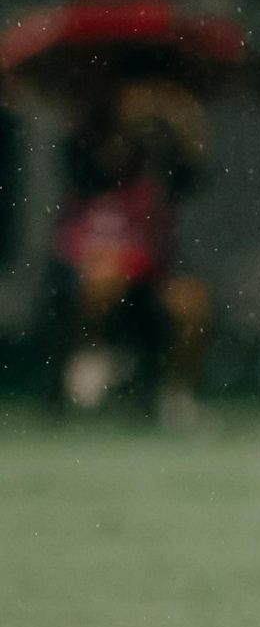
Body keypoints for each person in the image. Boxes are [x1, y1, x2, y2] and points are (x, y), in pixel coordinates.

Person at [44, 79, 214, 426]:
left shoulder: (160, 148)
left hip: (149, 272)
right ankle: (91, 352)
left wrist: (185, 120)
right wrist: (118, 134)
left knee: (193, 303)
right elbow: (92, 171)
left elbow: (194, 176)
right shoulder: (86, 141)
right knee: (105, 280)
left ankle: (176, 395)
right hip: (90, 266)